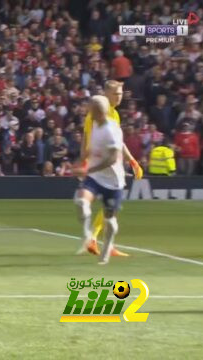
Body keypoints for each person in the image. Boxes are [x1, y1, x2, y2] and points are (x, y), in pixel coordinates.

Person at [79, 81, 141, 257]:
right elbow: (87, 137)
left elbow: (118, 141)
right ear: (106, 93)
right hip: (105, 160)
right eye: (115, 93)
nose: (119, 97)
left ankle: (102, 240)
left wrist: (132, 160)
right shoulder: (100, 113)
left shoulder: (113, 113)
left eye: (120, 93)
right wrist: (85, 159)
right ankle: (96, 238)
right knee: (113, 198)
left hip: (103, 160)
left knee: (110, 200)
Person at [73, 96, 126, 265]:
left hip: (113, 181)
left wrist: (88, 169)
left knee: (110, 220)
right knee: (81, 201)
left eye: (90, 107)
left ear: (97, 111)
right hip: (95, 177)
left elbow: (112, 159)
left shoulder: (112, 130)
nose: (87, 110)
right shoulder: (94, 124)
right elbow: (92, 148)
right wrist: (82, 161)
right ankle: (88, 236)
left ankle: (107, 246)